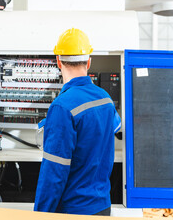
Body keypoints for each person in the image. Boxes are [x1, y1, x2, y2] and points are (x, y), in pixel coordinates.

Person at [33, 28, 121, 216]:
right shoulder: (105, 99)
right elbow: (116, 126)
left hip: (75, 211)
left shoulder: (62, 107)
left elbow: (54, 172)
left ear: (58, 61)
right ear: (89, 62)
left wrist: (39, 215)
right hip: (103, 206)